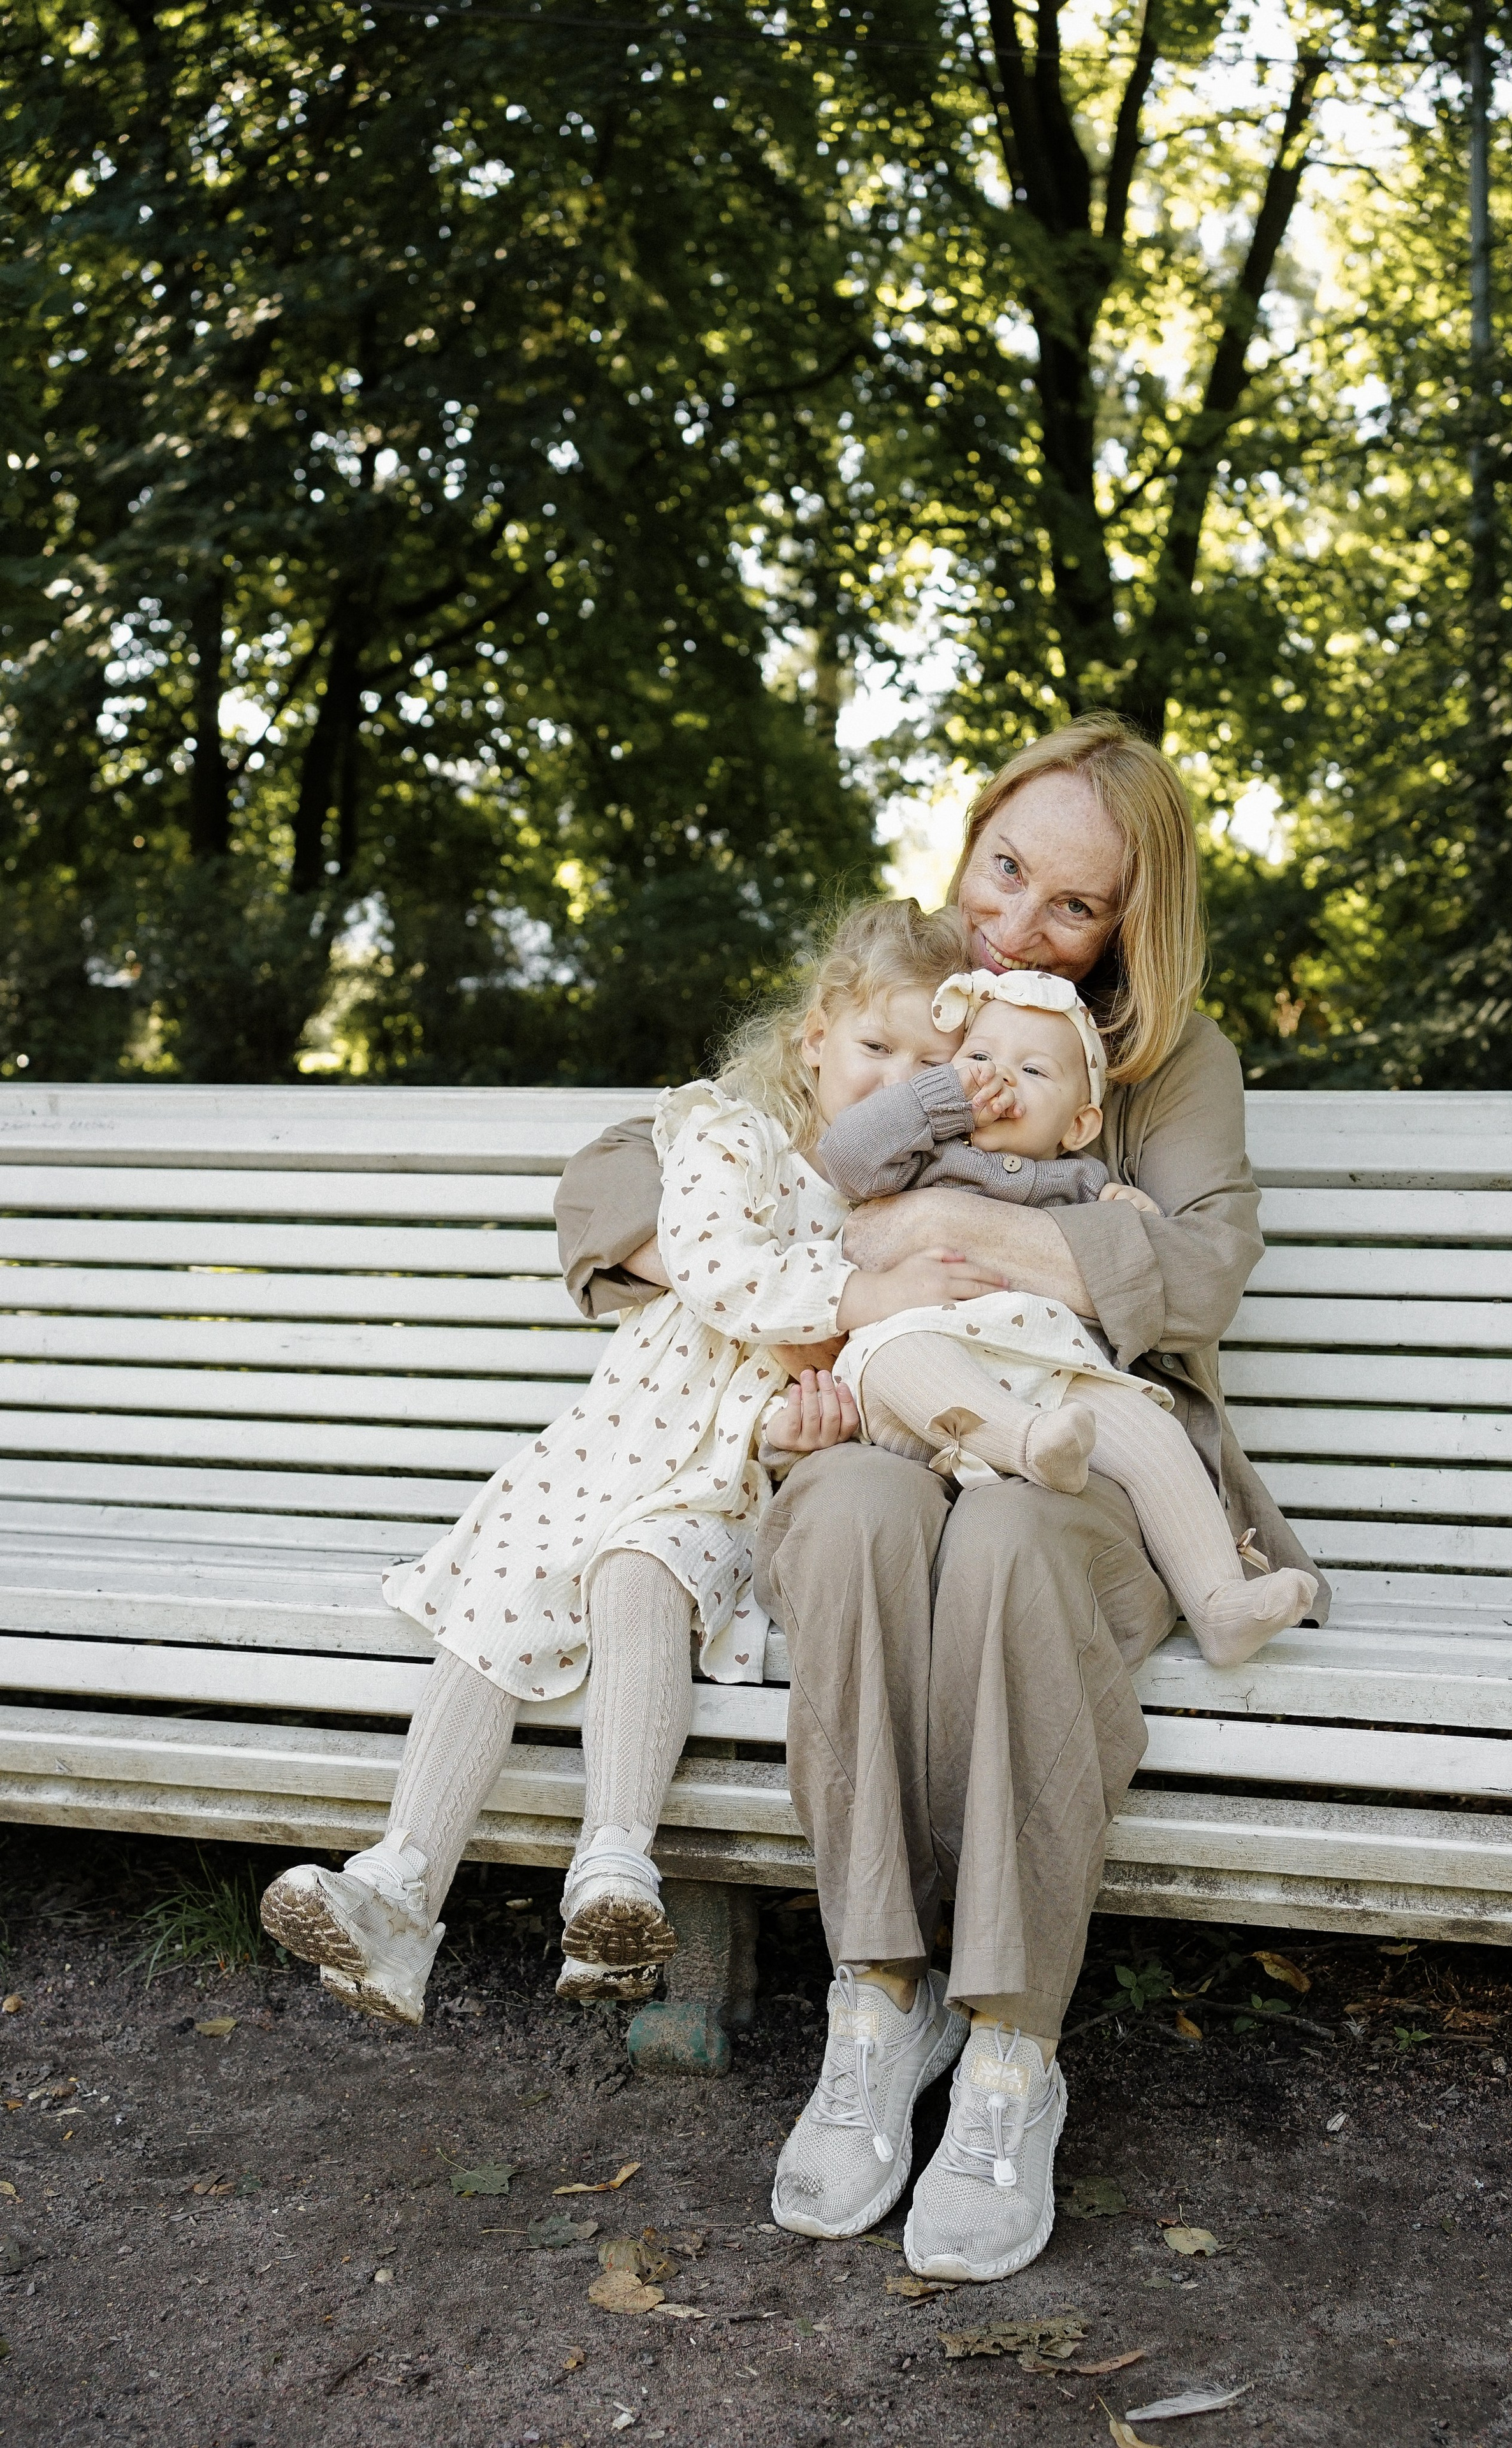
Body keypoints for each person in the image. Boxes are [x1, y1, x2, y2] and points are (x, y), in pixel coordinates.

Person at [555, 708, 1328, 2286]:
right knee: (848, 1516)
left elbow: (1199, 1271)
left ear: (1127, 927)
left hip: (1086, 1439)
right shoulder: (911, 993)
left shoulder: (1167, 1064)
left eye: (1073, 903)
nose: (1017, 921)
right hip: (895, 1412)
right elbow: (628, 1168)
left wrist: (951, 1239)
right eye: (1005, 868)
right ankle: (877, 2003)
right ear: (969, 841)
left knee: (1010, 1542)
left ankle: (1008, 2048)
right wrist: (787, 1267)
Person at [258, 898, 999, 2026]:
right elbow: (716, 1267)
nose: (895, 1083)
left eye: (926, 1071)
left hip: (724, 1483)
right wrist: (861, 1293)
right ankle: (398, 1890)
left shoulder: (906, 1212)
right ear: (814, 1038)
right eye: (874, 1047)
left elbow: (872, 1377)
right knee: (499, 1596)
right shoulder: (731, 1138)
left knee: (643, 1572)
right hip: (611, 1445)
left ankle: (615, 1875)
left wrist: (811, 1432)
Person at [817, 963, 1319, 1664]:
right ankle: (1026, 1444)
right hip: (923, 1379)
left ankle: (1218, 1602)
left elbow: (1156, 1257)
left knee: (1151, 1429)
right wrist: (943, 1097)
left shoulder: (1081, 1182)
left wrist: (1126, 1211)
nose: (997, 1079)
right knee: (903, 1352)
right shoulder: (923, 1158)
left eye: (1032, 1071)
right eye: (979, 1057)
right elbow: (844, 1157)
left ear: (1080, 1123)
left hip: (1046, 1375)